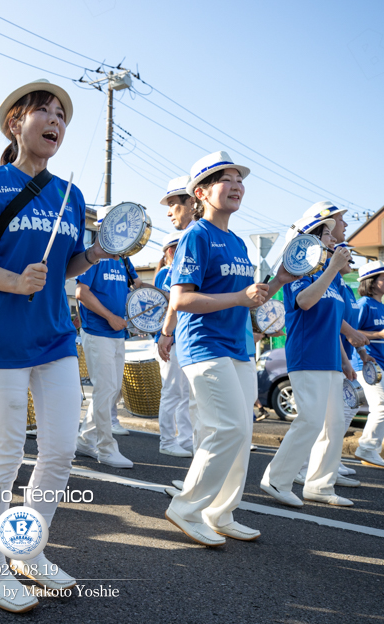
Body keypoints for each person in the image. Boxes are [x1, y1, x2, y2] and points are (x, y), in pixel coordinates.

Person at [0, 78, 113, 613]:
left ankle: (28, 549)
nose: (56, 121)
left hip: (56, 337)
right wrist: (15, 282)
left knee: (61, 448)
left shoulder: (71, 195)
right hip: (0, 336)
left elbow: (67, 265)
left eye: (62, 114)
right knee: (6, 450)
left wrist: (96, 254)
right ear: (16, 123)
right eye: (44, 110)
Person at [160, 151, 295, 547]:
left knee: (242, 431)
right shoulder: (195, 236)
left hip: (237, 347)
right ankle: (186, 509)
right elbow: (182, 299)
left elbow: (251, 296)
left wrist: (281, 278)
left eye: (239, 179)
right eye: (226, 179)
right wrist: (238, 297)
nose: (236, 186)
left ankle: (220, 512)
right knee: (229, 427)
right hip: (204, 345)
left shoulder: (238, 243)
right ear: (200, 192)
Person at [261, 209, 364, 509]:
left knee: (332, 424)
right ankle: (276, 479)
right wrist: (332, 268)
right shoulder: (302, 269)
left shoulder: (327, 277)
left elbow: (332, 324)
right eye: (328, 235)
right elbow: (304, 302)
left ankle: (319, 484)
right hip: (307, 355)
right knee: (310, 420)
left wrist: (345, 360)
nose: (334, 239)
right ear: (313, 239)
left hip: (330, 357)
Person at [74, 209, 147, 468]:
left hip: (117, 333)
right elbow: (81, 292)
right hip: (97, 332)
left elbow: (136, 286)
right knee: (106, 389)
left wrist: (163, 295)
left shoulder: (124, 260)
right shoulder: (95, 255)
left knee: (111, 391)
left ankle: (84, 440)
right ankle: (106, 448)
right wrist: (109, 316)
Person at [153, 176, 195, 458]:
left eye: (172, 204)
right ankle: (167, 441)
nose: (169, 212)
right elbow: (174, 304)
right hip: (172, 340)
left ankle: (186, 440)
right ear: (171, 250)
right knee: (172, 393)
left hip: (184, 339)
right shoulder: (165, 274)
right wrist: (167, 334)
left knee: (186, 396)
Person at [351, 261, 384, 469]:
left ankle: (333, 461)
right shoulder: (364, 303)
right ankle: (367, 449)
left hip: (376, 364)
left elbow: (382, 337)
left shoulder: (382, 307)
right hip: (363, 362)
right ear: (371, 283)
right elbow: (350, 332)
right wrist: (380, 334)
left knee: (348, 412)